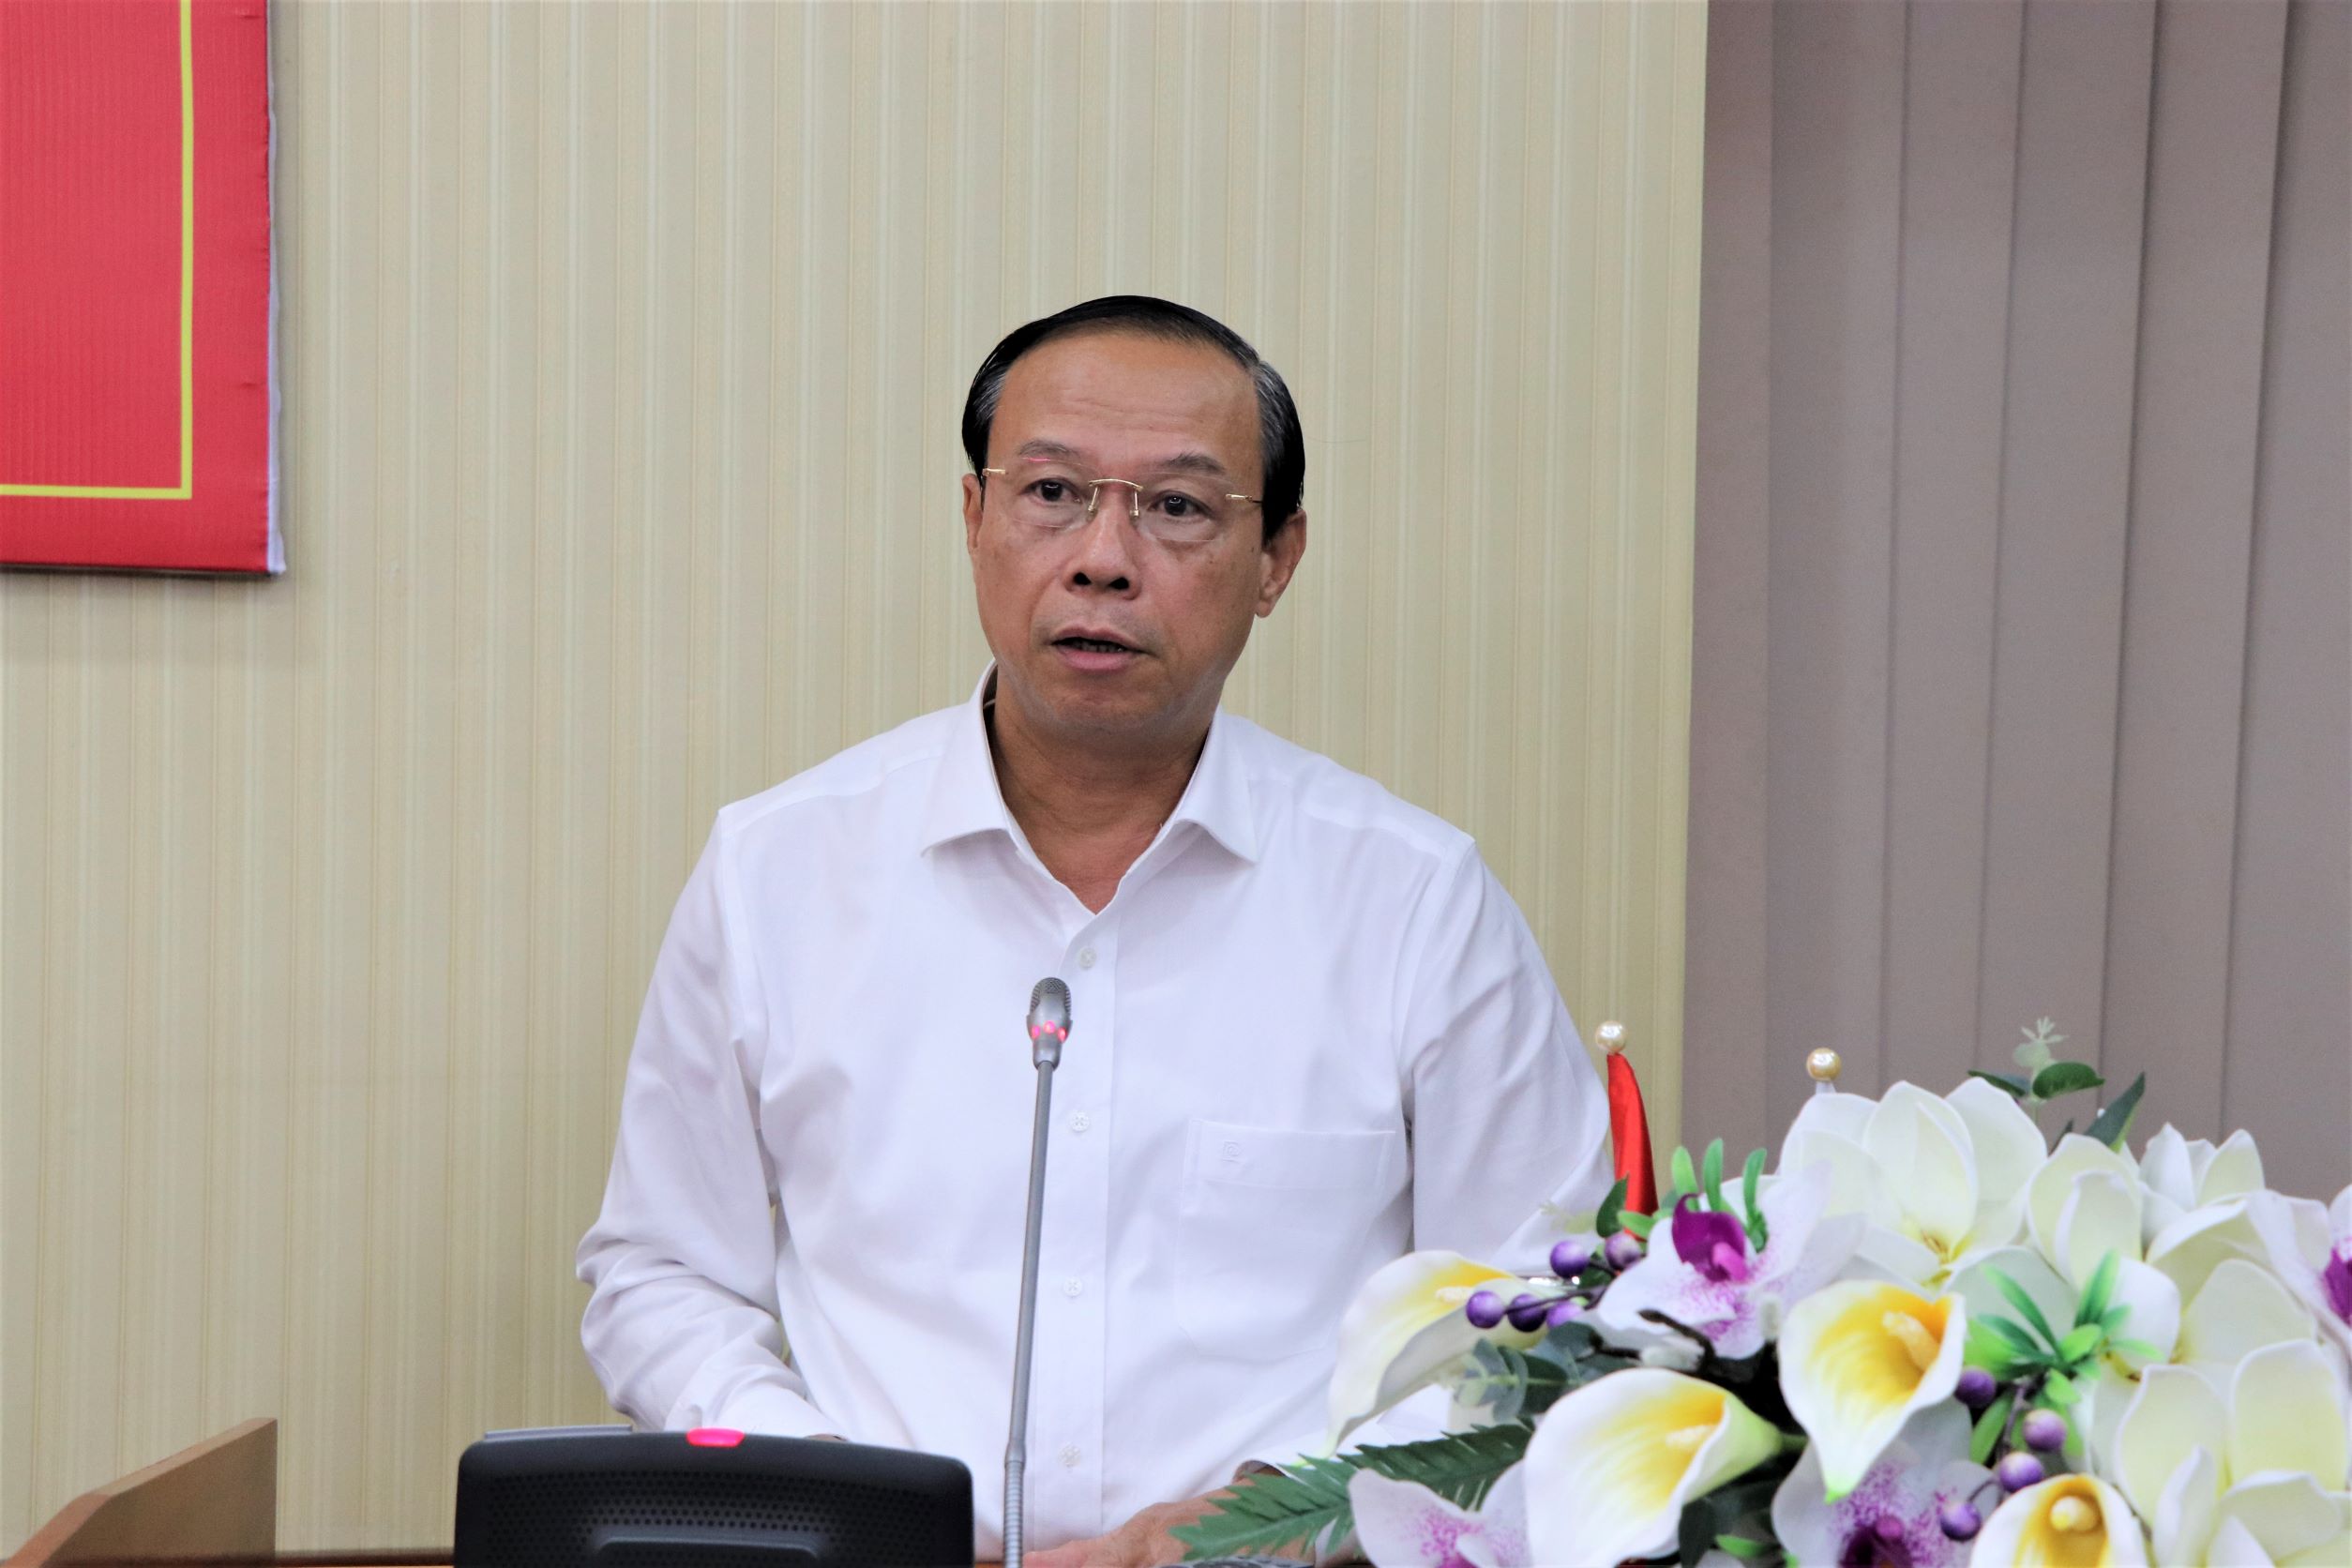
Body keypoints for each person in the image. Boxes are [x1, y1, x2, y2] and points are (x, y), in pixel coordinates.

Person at [576, 295, 1611, 1565]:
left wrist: (1280, 1518)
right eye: (1053, 493)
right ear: (974, 519)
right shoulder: (778, 870)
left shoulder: (1413, 899)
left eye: (1177, 506)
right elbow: (662, 1274)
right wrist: (844, 1509)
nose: (1103, 559)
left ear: (1276, 559)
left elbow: (1542, 1317)